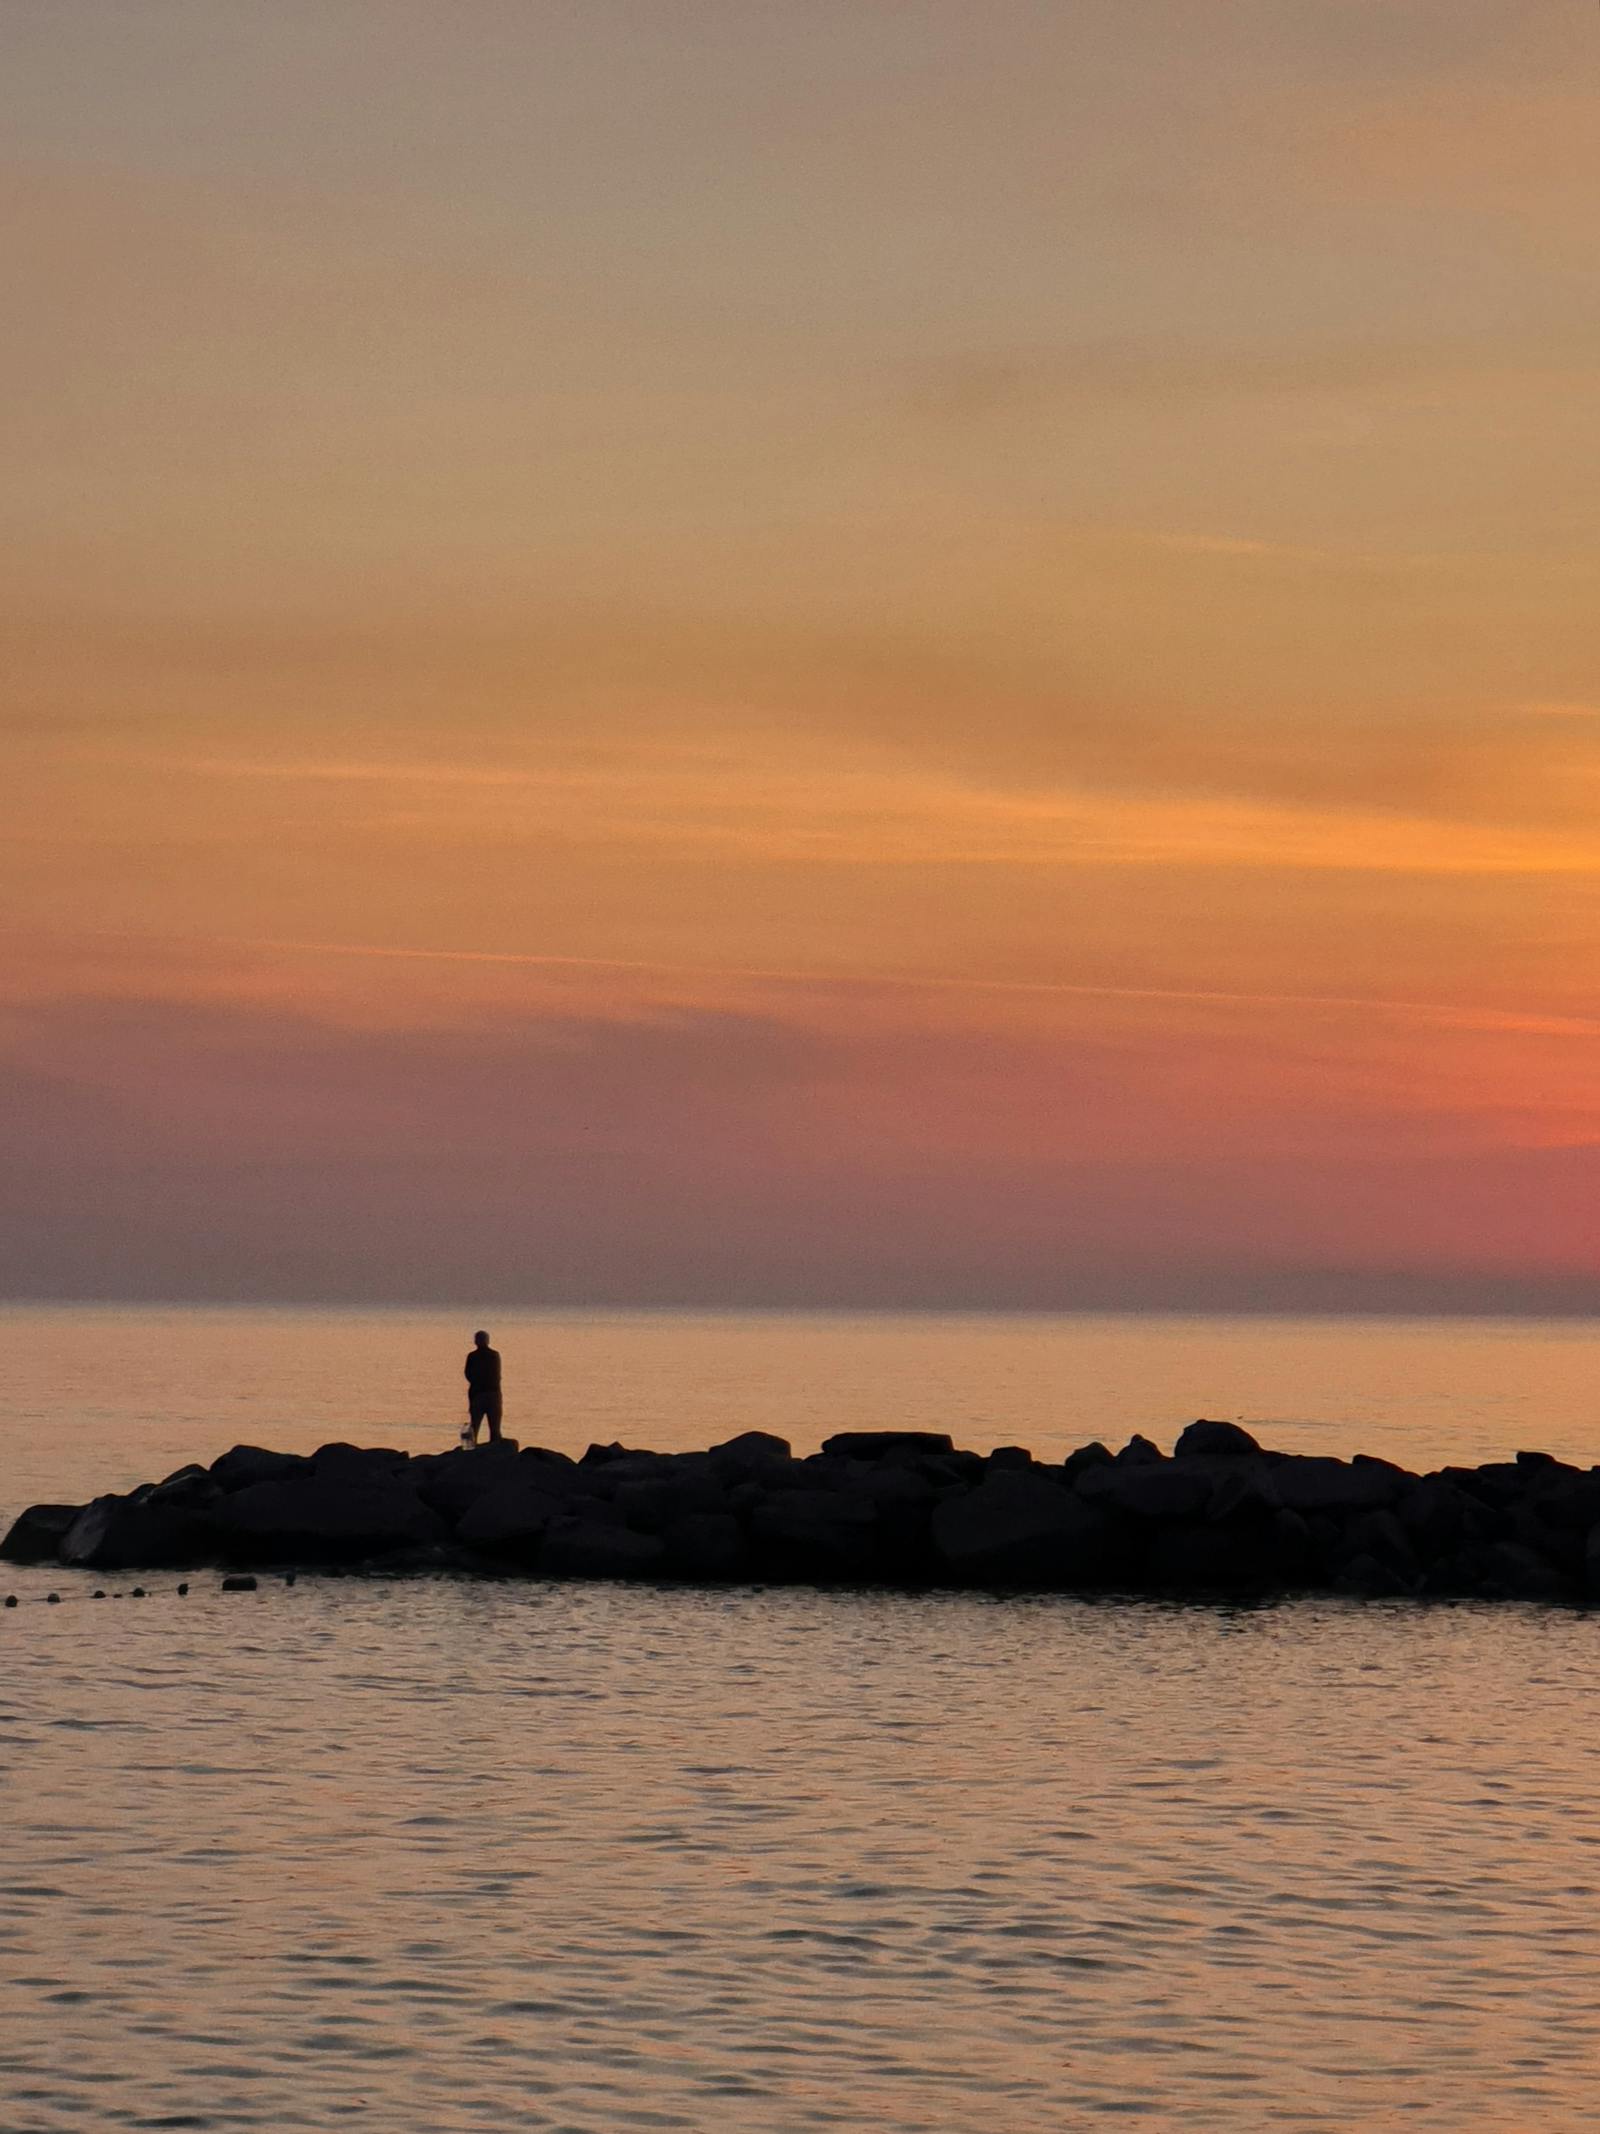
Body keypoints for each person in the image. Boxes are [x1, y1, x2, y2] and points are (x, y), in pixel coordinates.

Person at [463, 1329, 503, 1444]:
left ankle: (470, 1449)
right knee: (493, 1427)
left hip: (480, 1394)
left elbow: (468, 1374)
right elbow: (496, 1375)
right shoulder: (494, 1355)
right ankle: (494, 1447)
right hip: (491, 1394)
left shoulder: (473, 1356)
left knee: (475, 1426)